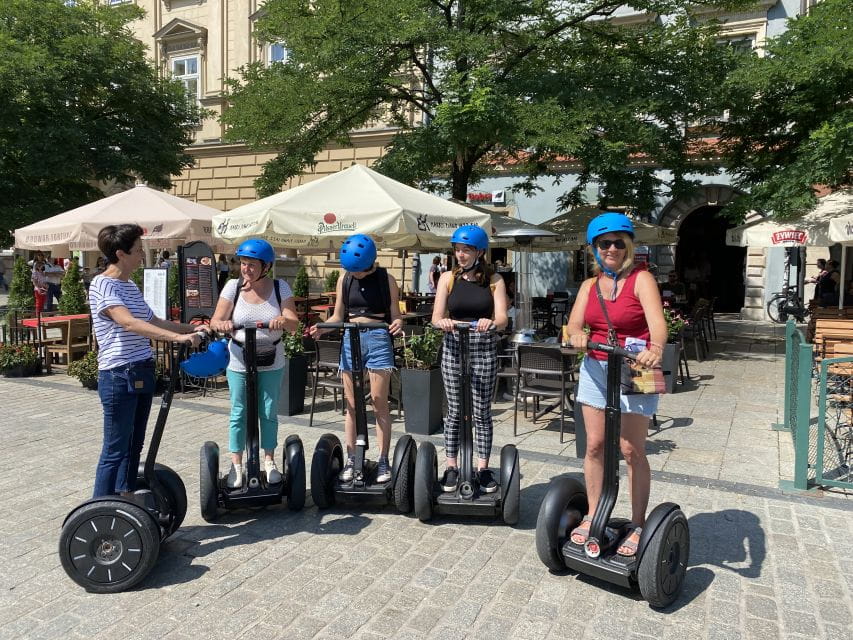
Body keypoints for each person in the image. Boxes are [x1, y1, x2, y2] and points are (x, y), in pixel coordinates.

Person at [565, 212, 666, 557]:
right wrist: (577, 336)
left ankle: (637, 523)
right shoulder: (588, 286)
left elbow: (658, 326)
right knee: (594, 445)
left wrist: (655, 350)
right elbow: (574, 325)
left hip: (636, 368)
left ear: (628, 246)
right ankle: (595, 513)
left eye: (618, 242)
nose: (611, 248)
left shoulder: (642, 280)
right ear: (595, 249)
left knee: (630, 449)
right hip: (596, 368)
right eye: (604, 243)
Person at [89, 224, 208, 498]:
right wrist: (177, 340)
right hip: (118, 373)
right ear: (120, 253)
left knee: (135, 445)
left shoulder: (129, 285)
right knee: (115, 447)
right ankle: (99, 508)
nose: (142, 254)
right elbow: (129, 323)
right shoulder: (102, 284)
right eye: (138, 250)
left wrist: (192, 329)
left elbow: (153, 321)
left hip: (141, 368)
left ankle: (125, 497)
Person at [309, 234, 404, 484]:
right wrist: (322, 327)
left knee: (378, 402)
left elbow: (395, 315)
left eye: (360, 271)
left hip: (378, 338)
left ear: (371, 261)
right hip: (351, 338)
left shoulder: (387, 279)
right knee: (351, 405)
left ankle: (383, 460)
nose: (357, 275)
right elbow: (338, 315)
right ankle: (352, 458)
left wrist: (397, 324)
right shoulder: (345, 278)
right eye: (353, 271)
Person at [209, 239, 300, 488]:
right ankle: (236, 464)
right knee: (239, 411)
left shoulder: (281, 288)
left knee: (268, 411)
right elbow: (215, 320)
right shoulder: (232, 287)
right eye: (243, 263)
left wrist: (283, 319)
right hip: (239, 358)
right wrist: (223, 324)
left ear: (266, 266)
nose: (246, 269)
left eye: (252, 264)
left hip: (271, 358)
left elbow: (294, 323)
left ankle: (269, 461)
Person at [431, 225, 508, 493]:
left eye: (466, 250)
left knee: (481, 412)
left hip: (483, 348)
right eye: (457, 250)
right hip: (454, 347)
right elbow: (435, 317)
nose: (460, 255)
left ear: (480, 252)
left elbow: (502, 318)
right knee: (454, 411)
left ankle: (483, 468)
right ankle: (451, 466)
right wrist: (445, 323)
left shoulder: (494, 280)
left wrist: (491, 322)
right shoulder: (447, 279)